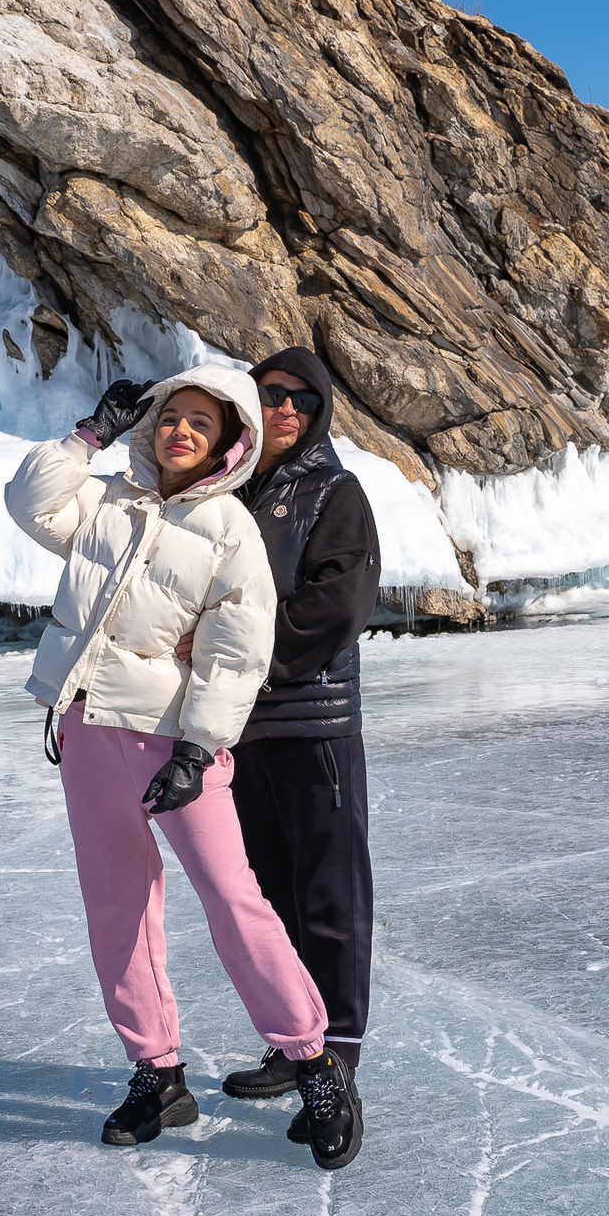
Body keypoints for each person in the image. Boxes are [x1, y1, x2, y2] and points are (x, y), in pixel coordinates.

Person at [4, 366, 358, 1165]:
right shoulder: (108, 501)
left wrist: (198, 748)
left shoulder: (231, 530)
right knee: (117, 909)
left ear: (229, 441)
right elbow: (30, 503)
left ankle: (315, 1062)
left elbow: (237, 650)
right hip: (88, 728)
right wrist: (86, 437)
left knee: (234, 899)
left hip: (171, 743)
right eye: (171, 416)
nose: (181, 431)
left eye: (201, 422)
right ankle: (156, 1073)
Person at [210, 346, 381, 1168]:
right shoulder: (225, 492)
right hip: (241, 730)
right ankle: (295, 1042)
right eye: (273, 394)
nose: (286, 410)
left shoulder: (335, 492)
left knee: (330, 897)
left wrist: (242, 656)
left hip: (314, 726)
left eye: (303, 401)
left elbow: (338, 604)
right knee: (270, 897)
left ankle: (335, 1059)